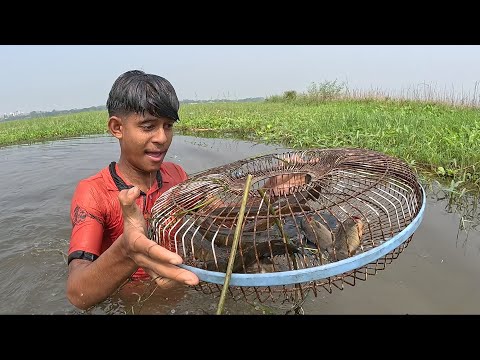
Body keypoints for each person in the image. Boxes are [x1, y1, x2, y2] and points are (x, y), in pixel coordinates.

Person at [66, 70, 200, 311]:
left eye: (168, 126)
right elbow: (78, 293)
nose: (162, 138)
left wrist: (271, 195)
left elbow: (220, 221)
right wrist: (126, 251)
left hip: (181, 290)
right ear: (117, 127)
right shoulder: (93, 192)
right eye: (148, 126)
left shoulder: (177, 175)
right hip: (129, 304)